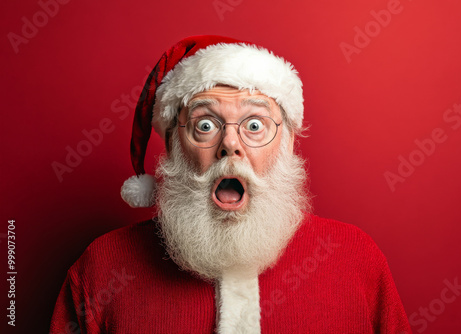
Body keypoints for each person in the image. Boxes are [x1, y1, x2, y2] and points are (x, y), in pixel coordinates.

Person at [50, 35, 412, 334]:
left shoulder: (357, 261)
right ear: (175, 146)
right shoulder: (102, 268)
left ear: (287, 143)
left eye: (255, 125)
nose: (230, 144)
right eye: (205, 125)